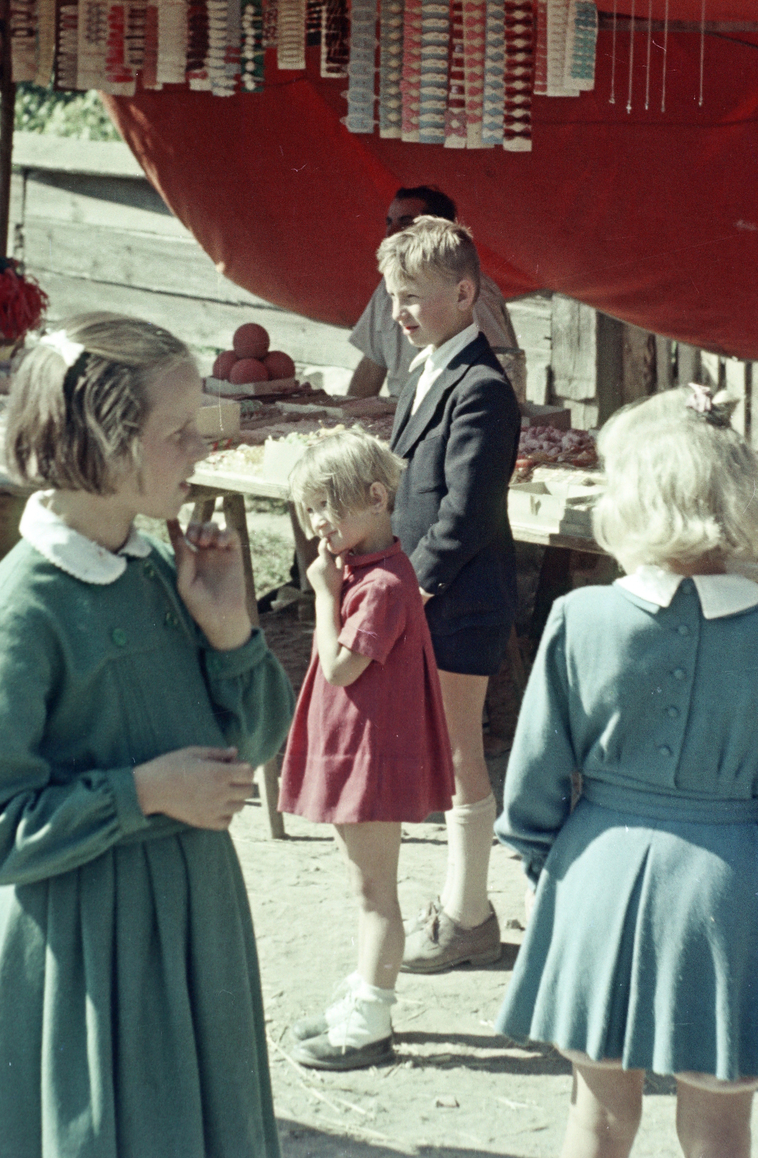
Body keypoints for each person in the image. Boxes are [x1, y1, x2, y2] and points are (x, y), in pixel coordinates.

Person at [0, 314, 295, 1158]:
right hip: (85, 961)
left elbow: (249, 750)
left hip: (192, 933)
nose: (200, 451)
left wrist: (232, 630)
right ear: (104, 443)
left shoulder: (161, 573)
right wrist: (140, 795)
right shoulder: (18, 619)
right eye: (178, 433)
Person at [495, 383, 758, 1158]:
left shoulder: (579, 619)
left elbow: (533, 779)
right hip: (734, 891)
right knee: (720, 1132)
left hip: (596, 875)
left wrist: (541, 869)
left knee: (596, 1120)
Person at [277, 430, 454, 1069]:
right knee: (364, 889)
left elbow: (339, 668)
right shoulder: (365, 569)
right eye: (309, 511)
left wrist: (323, 594)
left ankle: (371, 1021)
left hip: (372, 759)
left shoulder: (378, 586)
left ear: (376, 498)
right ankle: (361, 993)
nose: (316, 524)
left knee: (376, 892)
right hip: (360, 751)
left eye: (326, 507)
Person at [378, 216, 521, 973]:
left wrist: (409, 587)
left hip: (458, 599)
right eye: (393, 295)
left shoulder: (484, 388)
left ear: (464, 293)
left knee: (463, 753)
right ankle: (464, 909)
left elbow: (464, 514)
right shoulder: (425, 368)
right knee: (443, 751)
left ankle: (469, 915)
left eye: (412, 297)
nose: (398, 311)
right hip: (424, 593)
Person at [348, 184, 518, 398]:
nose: (391, 233)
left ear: (435, 229)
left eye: (405, 223)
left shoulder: (470, 292)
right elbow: (372, 362)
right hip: (401, 411)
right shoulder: (387, 288)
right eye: (389, 222)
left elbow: (501, 368)